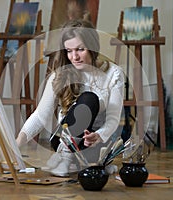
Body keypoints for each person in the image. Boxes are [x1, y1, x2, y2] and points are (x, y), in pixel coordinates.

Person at [16, 19, 125, 177]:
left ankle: (86, 163)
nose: (74, 57)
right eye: (68, 51)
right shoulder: (60, 75)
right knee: (89, 99)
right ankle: (67, 157)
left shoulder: (114, 73)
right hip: (62, 141)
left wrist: (99, 135)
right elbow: (41, 116)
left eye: (80, 49)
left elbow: (113, 119)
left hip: (95, 142)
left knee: (90, 99)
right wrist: (16, 145)